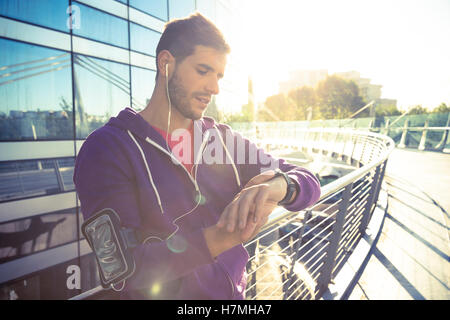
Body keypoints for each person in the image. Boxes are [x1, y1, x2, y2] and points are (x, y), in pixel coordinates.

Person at [73, 12, 320, 300]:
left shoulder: (223, 140)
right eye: (203, 71)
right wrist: (223, 237)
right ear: (165, 63)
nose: (214, 88)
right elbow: (118, 268)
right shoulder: (106, 148)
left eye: (218, 76)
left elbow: (310, 183)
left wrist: (280, 185)